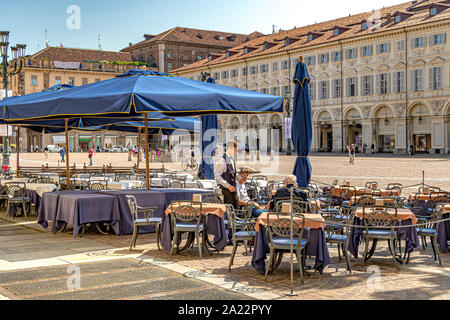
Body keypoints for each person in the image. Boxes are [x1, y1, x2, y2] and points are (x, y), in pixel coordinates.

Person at [215, 140, 238, 208]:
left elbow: (232, 174)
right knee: (229, 211)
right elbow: (217, 176)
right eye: (235, 150)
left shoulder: (232, 159)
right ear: (230, 148)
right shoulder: (222, 160)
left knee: (234, 209)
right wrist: (228, 186)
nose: (236, 152)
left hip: (233, 190)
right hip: (226, 191)